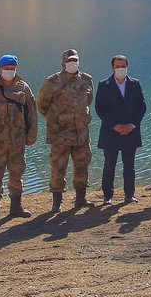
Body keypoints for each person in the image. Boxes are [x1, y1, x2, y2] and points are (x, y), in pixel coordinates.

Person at [0, 54, 38, 222]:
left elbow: (32, 112)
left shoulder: (23, 88)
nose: (9, 71)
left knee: (17, 173)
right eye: (6, 68)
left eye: (12, 69)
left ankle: (16, 207)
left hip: (18, 140)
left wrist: (32, 135)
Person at [36, 48, 94, 211]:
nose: (72, 63)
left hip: (81, 133)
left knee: (82, 166)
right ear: (63, 63)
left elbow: (89, 101)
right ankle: (57, 201)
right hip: (60, 134)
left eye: (75, 60)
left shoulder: (87, 80)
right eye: (69, 61)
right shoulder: (52, 81)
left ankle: (81, 199)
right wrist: (56, 120)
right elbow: (41, 105)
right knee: (58, 167)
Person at [95, 54, 147, 205]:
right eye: (117, 66)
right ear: (112, 67)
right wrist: (114, 125)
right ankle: (107, 196)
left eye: (123, 66)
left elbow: (142, 106)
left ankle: (129, 195)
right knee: (109, 165)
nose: (120, 68)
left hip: (131, 132)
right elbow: (100, 108)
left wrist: (133, 125)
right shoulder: (104, 84)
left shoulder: (135, 84)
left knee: (129, 166)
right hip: (111, 133)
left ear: (127, 66)